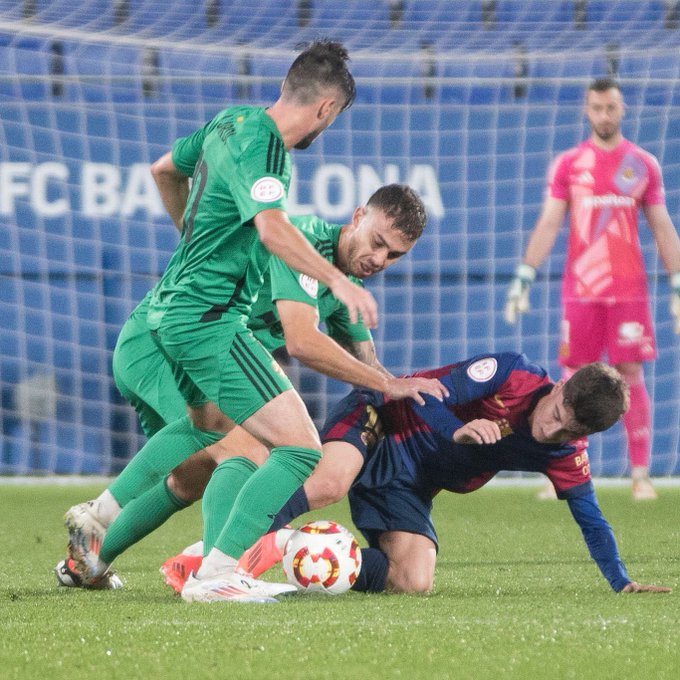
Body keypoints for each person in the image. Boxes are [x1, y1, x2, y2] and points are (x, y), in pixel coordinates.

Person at [62, 39, 383, 605]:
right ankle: (217, 571)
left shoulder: (230, 121)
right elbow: (272, 230)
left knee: (208, 428)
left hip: (170, 313)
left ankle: (98, 517)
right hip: (209, 319)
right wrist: (335, 280)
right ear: (327, 109)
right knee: (297, 447)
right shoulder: (268, 149)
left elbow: (164, 168)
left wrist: (193, 234)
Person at [57, 184, 447, 595]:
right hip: (159, 346)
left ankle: (89, 561)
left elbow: (368, 366)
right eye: (377, 242)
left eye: (394, 255)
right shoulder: (305, 245)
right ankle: (215, 575)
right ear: (356, 217)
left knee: (191, 478)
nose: (379, 259)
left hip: (190, 350)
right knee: (243, 448)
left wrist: (420, 401)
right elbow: (301, 341)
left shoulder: (346, 288)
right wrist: (386, 384)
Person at [163, 352, 671, 596]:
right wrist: (457, 432)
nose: (549, 430)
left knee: (414, 581)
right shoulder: (511, 372)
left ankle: (296, 547)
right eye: (556, 412)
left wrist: (620, 581)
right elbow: (426, 393)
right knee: (329, 482)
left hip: (409, 482)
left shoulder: (565, 451)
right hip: (381, 419)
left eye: (566, 431)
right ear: (559, 385)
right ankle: (210, 561)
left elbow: (591, 517)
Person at [503, 77, 680, 501]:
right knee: (570, 379)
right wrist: (524, 276)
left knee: (631, 374)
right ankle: (565, 470)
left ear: (622, 110)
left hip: (629, 292)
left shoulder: (642, 164)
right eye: (597, 108)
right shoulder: (569, 164)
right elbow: (549, 223)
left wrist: (676, 282)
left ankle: (640, 474)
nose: (604, 115)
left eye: (611, 108)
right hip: (581, 290)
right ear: (587, 109)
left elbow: (661, 226)